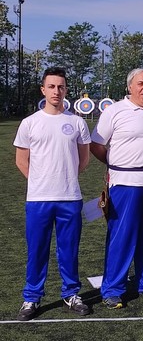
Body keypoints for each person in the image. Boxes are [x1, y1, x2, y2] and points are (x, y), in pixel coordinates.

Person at [90, 68, 143, 309]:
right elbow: (96, 145)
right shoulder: (115, 111)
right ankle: (113, 289)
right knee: (121, 237)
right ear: (130, 87)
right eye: (140, 84)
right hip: (125, 184)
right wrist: (117, 164)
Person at [13, 67, 91, 321]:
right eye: (52, 86)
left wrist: (64, 178)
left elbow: (84, 159)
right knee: (37, 250)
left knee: (69, 250)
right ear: (43, 90)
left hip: (69, 198)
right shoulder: (30, 123)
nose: (56, 91)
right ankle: (32, 298)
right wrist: (41, 181)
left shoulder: (76, 122)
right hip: (38, 199)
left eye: (61, 87)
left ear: (66, 90)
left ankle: (71, 293)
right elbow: (21, 160)